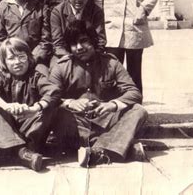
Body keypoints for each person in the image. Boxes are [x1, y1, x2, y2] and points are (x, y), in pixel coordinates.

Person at [49, 20, 148, 167]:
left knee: (139, 111)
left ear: (94, 41)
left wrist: (112, 105)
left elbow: (134, 93)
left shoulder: (111, 63)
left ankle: (94, 152)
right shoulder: (61, 67)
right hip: (76, 123)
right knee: (57, 114)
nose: (79, 47)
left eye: (84, 41)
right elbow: (48, 96)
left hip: (105, 121)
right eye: (73, 44)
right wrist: (70, 102)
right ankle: (117, 148)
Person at [0, 38, 58, 171]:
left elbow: (53, 92)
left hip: (29, 131)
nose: (17, 62)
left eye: (22, 57)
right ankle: (21, 154)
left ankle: (7, 152)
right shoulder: (1, 76)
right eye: (11, 58)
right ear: (4, 61)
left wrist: (34, 108)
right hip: (7, 129)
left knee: (50, 107)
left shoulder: (36, 76)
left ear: (29, 58)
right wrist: (6, 106)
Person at [0, 0, 51, 65]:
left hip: (35, 59)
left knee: (44, 79)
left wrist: (32, 58)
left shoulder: (41, 8)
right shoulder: (3, 8)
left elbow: (46, 40)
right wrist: (10, 58)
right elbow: (0, 38)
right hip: (11, 60)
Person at [50, 0, 106, 65]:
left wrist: (88, 57)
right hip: (65, 56)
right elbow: (58, 44)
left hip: (90, 56)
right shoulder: (57, 12)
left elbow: (100, 41)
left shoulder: (96, 11)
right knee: (55, 69)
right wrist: (74, 59)